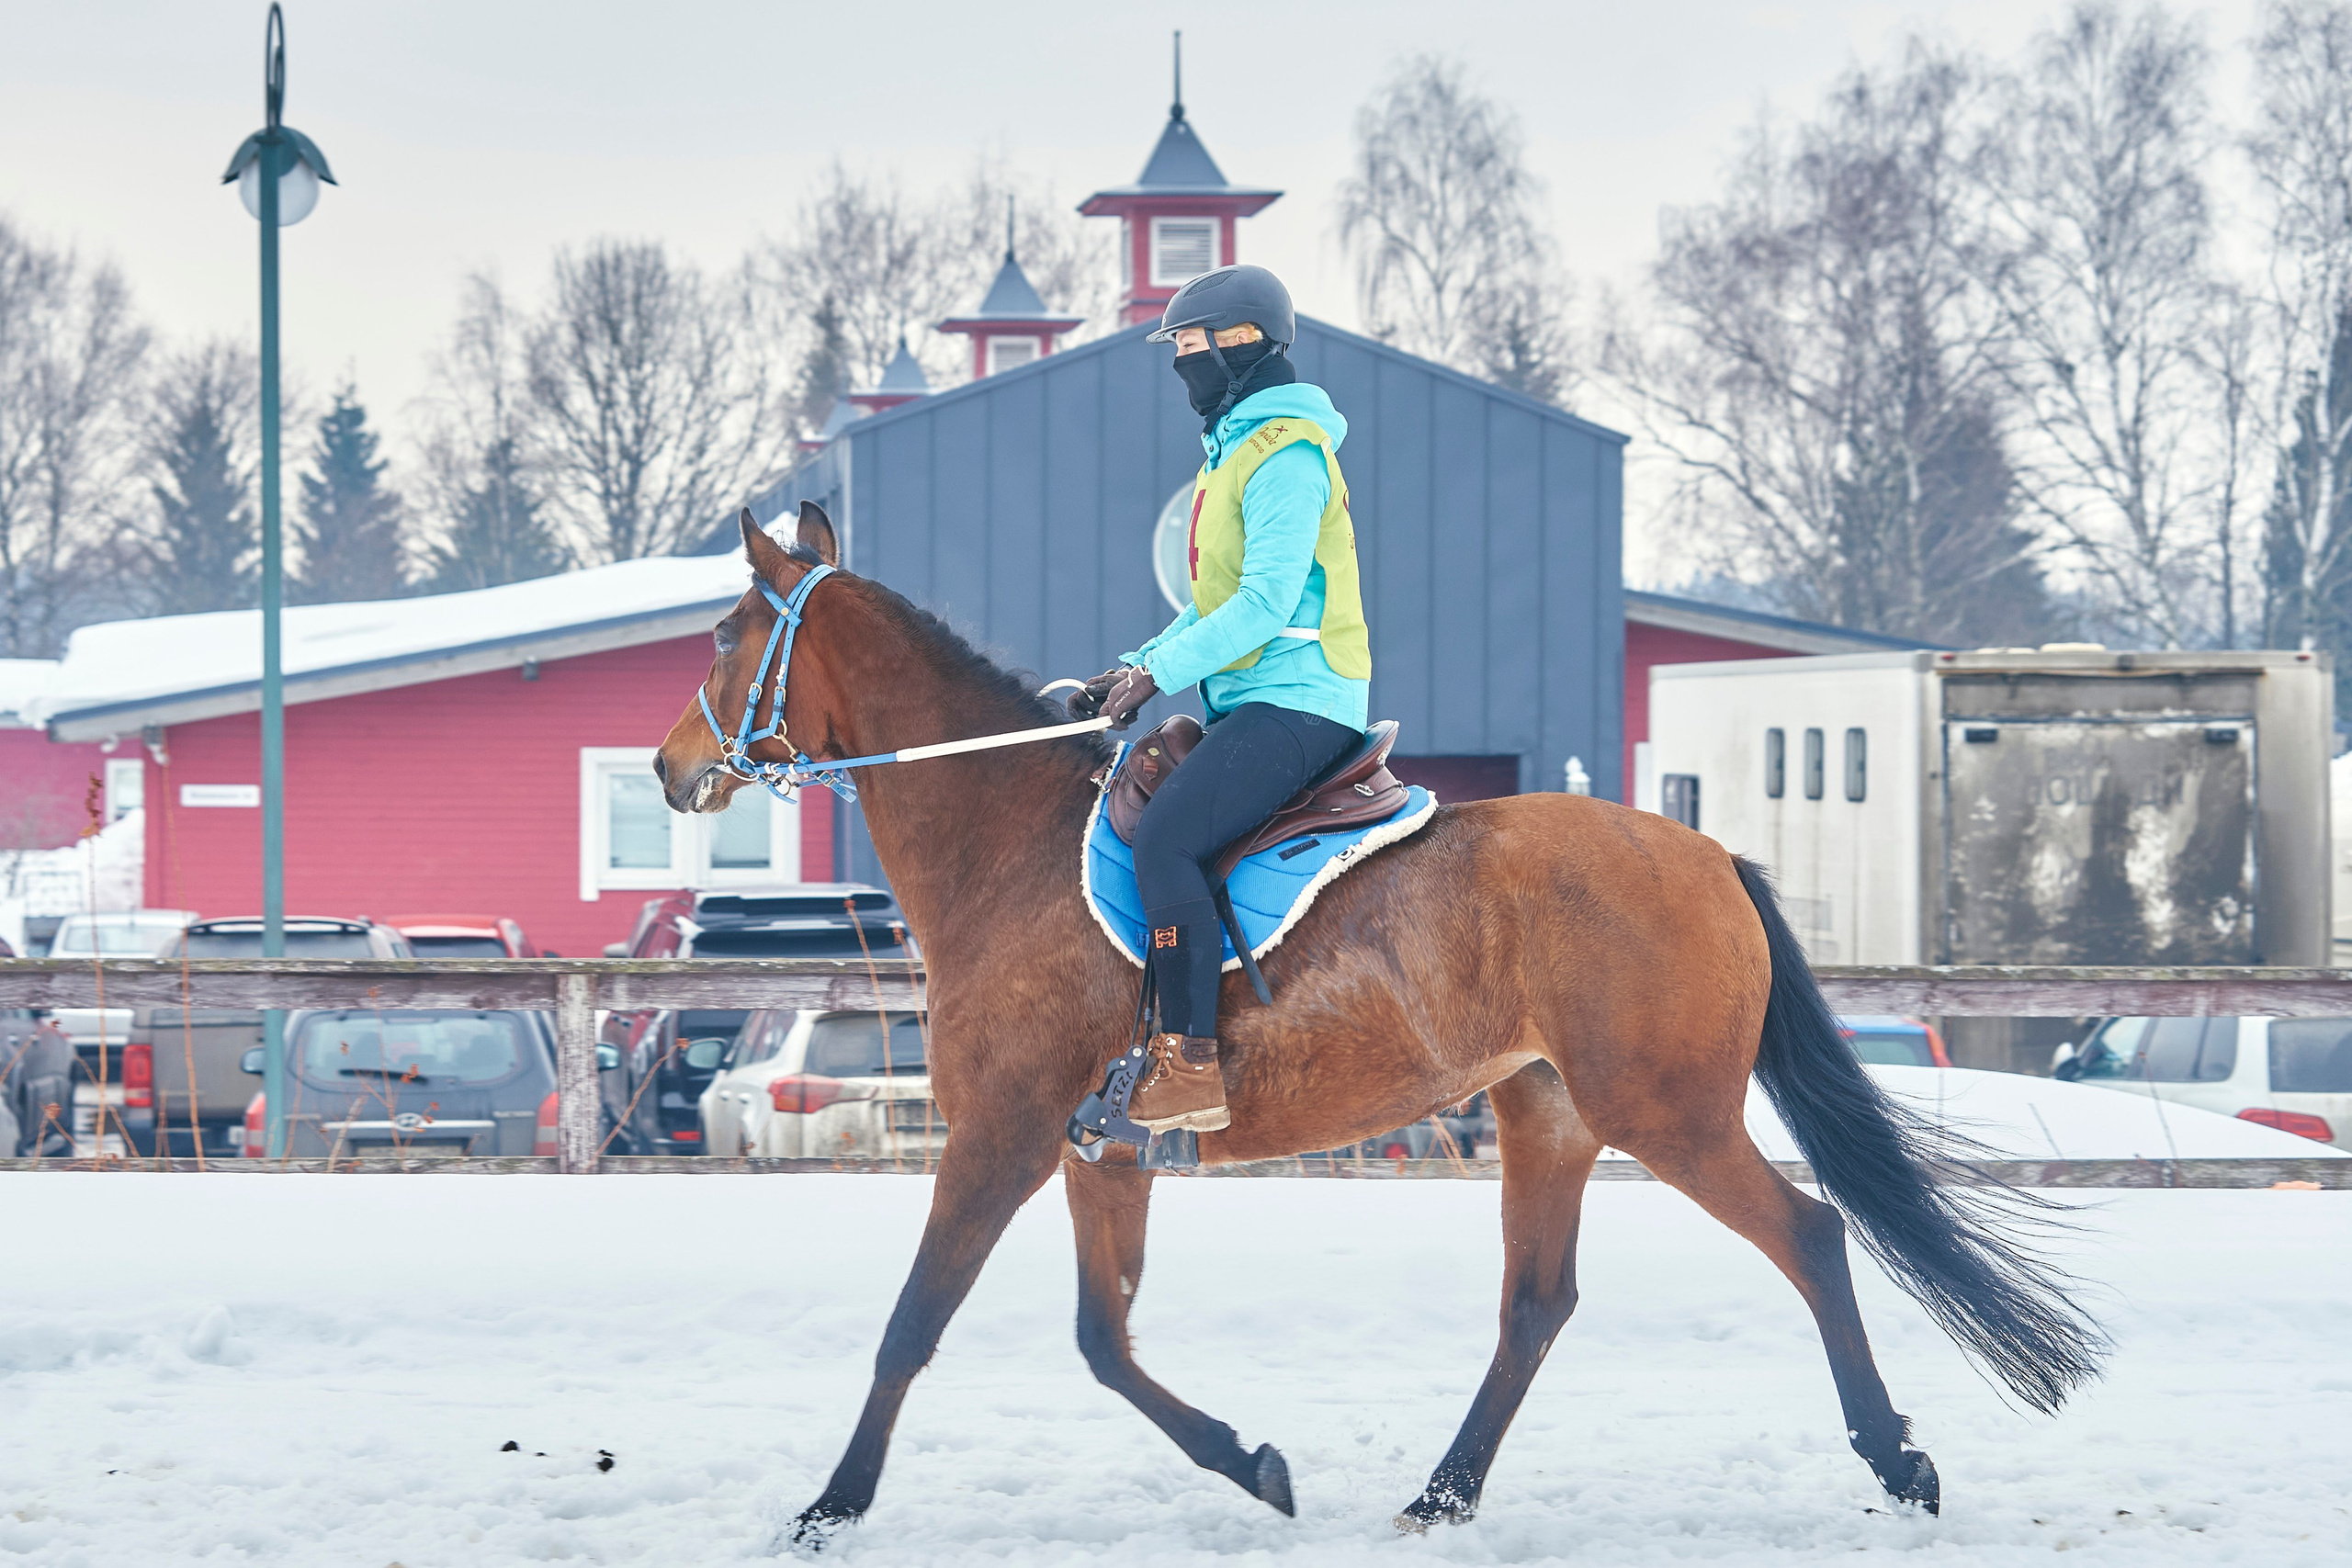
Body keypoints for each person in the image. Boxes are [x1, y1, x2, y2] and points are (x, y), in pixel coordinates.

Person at [1069, 265, 1369, 1134]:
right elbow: (1211, 608)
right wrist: (1134, 665)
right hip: (1251, 702)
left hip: (1302, 703)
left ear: (1241, 346)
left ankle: (1190, 1067)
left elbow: (1266, 606)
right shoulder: (1234, 453)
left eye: (1191, 348)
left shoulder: (1285, 456)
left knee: (1167, 839)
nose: (1180, 367)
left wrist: (1158, 674)